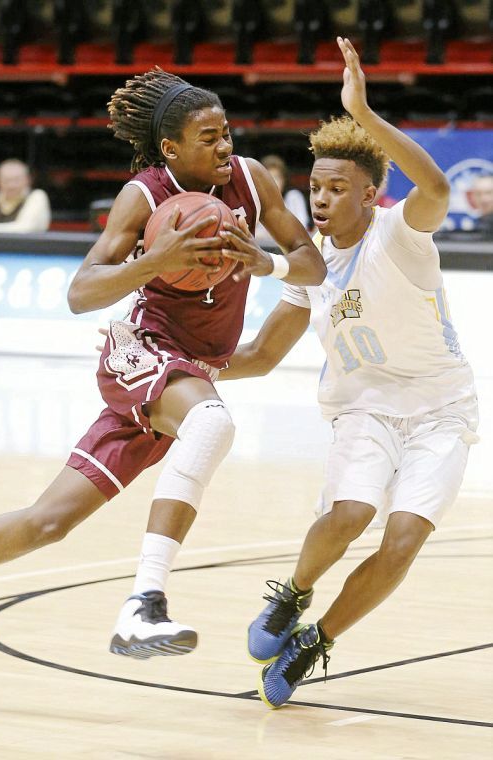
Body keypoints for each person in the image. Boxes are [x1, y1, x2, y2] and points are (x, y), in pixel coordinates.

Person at [0, 69, 325, 656]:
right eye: (210, 137)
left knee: (48, 522)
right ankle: (144, 605)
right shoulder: (144, 195)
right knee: (213, 422)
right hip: (142, 351)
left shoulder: (249, 178)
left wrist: (264, 262)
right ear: (171, 148)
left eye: (227, 133)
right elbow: (80, 291)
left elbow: (309, 263)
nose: (226, 146)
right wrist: (154, 261)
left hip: (190, 371)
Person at [220, 38, 479, 707]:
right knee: (351, 513)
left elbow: (438, 186)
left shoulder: (399, 233)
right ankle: (294, 594)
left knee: (400, 541)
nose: (323, 198)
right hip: (363, 407)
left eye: (339, 188)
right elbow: (261, 356)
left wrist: (363, 112)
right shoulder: (308, 265)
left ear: (371, 193)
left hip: (443, 409)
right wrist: (187, 366)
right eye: (316, 187)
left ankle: (315, 640)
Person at [255, 154, 311, 247]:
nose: (274, 182)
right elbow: (252, 235)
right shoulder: (256, 203)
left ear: (284, 179)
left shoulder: (293, 197)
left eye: (277, 177)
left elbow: (301, 229)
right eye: (269, 177)